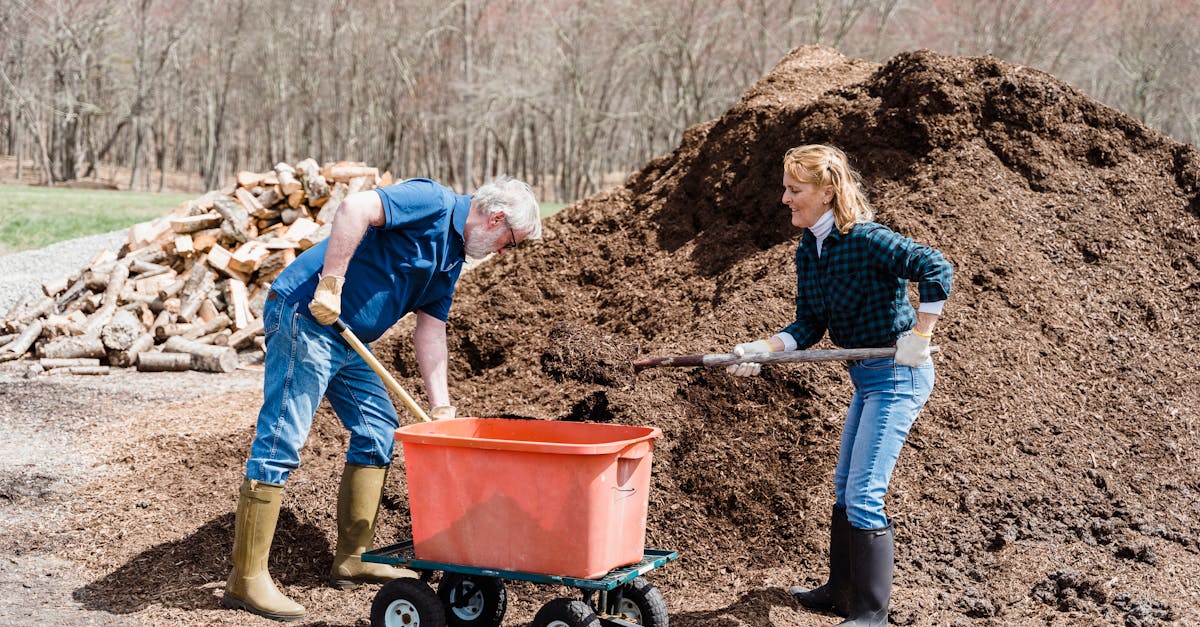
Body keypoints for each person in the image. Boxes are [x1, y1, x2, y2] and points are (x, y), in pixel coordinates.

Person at [221, 175, 542, 621]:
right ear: (496, 217)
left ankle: (353, 559)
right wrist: (330, 284)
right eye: (510, 241)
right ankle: (246, 579)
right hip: (308, 315)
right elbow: (355, 208)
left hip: (349, 340)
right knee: (282, 440)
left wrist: (441, 408)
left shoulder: (450, 262)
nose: (504, 251)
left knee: (376, 433)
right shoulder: (430, 201)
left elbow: (431, 331)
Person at [727, 145, 952, 626]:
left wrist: (920, 335)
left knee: (867, 492)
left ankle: (871, 613)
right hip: (867, 377)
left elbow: (936, 267)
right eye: (785, 188)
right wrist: (764, 349)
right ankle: (840, 591)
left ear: (827, 192)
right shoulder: (810, 247)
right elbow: (810, 323)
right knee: (845, 488)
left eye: (794, 189)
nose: (784, 198)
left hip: (898, 375)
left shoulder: (868, 240)